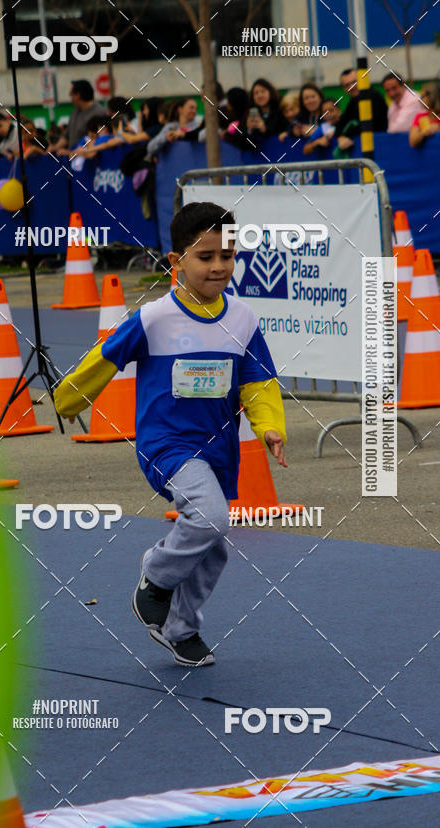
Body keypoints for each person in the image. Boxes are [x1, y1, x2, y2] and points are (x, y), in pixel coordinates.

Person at [54, 201, 287, 668]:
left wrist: (270, 426)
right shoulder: (154, 318)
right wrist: (68, 399)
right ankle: (155, 577)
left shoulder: (242, 319)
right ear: (176, 261)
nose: (219, 266)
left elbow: (258, 380)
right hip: (166, 446)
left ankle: (181, 630)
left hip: (218, 449)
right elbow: (105, 357)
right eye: (205, 256)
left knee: (213, 550)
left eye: (227, 255)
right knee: (211, 518)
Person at [335, 68, 388, 154]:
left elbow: (368, 124)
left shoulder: (374, 97)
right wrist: (340, 137)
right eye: (347, 85)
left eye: (354, 82)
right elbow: (341, 123)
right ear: (344, 88)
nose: (352, 87)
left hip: (381, 148)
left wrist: (346, 135)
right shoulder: (353, 102)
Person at [244, 78, 287, 143]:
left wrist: (264, 129)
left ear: (270, 92)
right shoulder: (251, 113)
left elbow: (283, 134)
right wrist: (249, 130)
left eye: (263, 91)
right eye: (256, 93)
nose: (259, 95)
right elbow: (246, 144)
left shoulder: (280, 110)